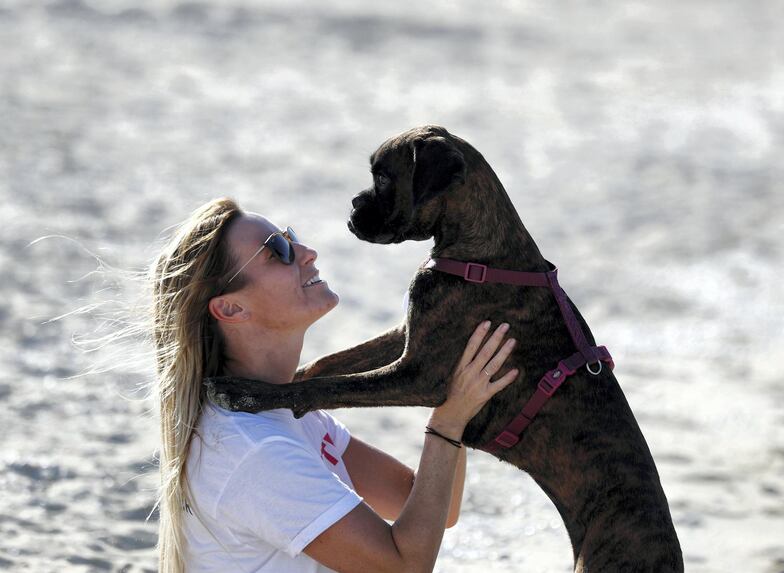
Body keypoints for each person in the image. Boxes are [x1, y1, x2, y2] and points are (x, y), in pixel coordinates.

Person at [151, 197, 520, 573]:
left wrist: (447, 388)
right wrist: (449, 420)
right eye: (276, 250)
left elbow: (427, 506)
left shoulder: (286, 414)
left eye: (289, 236)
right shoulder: (253, 448)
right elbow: (405, 567)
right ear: (231, 309)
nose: (307, 252)